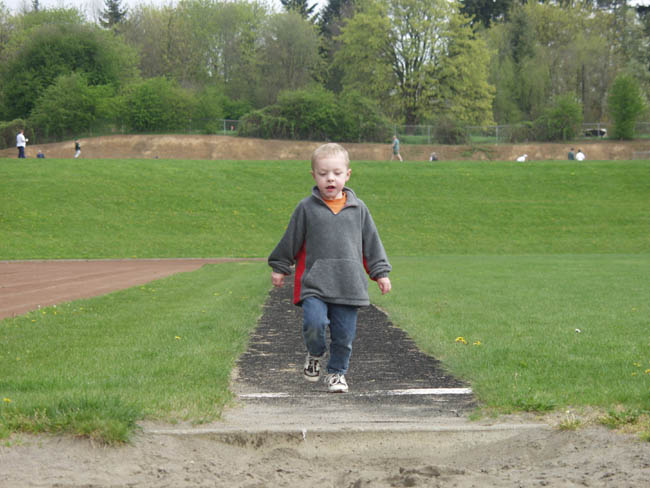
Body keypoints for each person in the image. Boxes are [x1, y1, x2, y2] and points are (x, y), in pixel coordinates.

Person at [268, 143, 392, 393]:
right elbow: (291, 239)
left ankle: (336, 373)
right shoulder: (306, 208)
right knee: (314, 323)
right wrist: (280, 266)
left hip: (349, 285)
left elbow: (371, 243)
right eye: (323, 174)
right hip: (316, 284)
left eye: (336, 173)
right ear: (314, 176)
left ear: (347, 174)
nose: (330, 179)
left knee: (344, 336)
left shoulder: (359, 209)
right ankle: (315, 353)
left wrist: (380, 273)